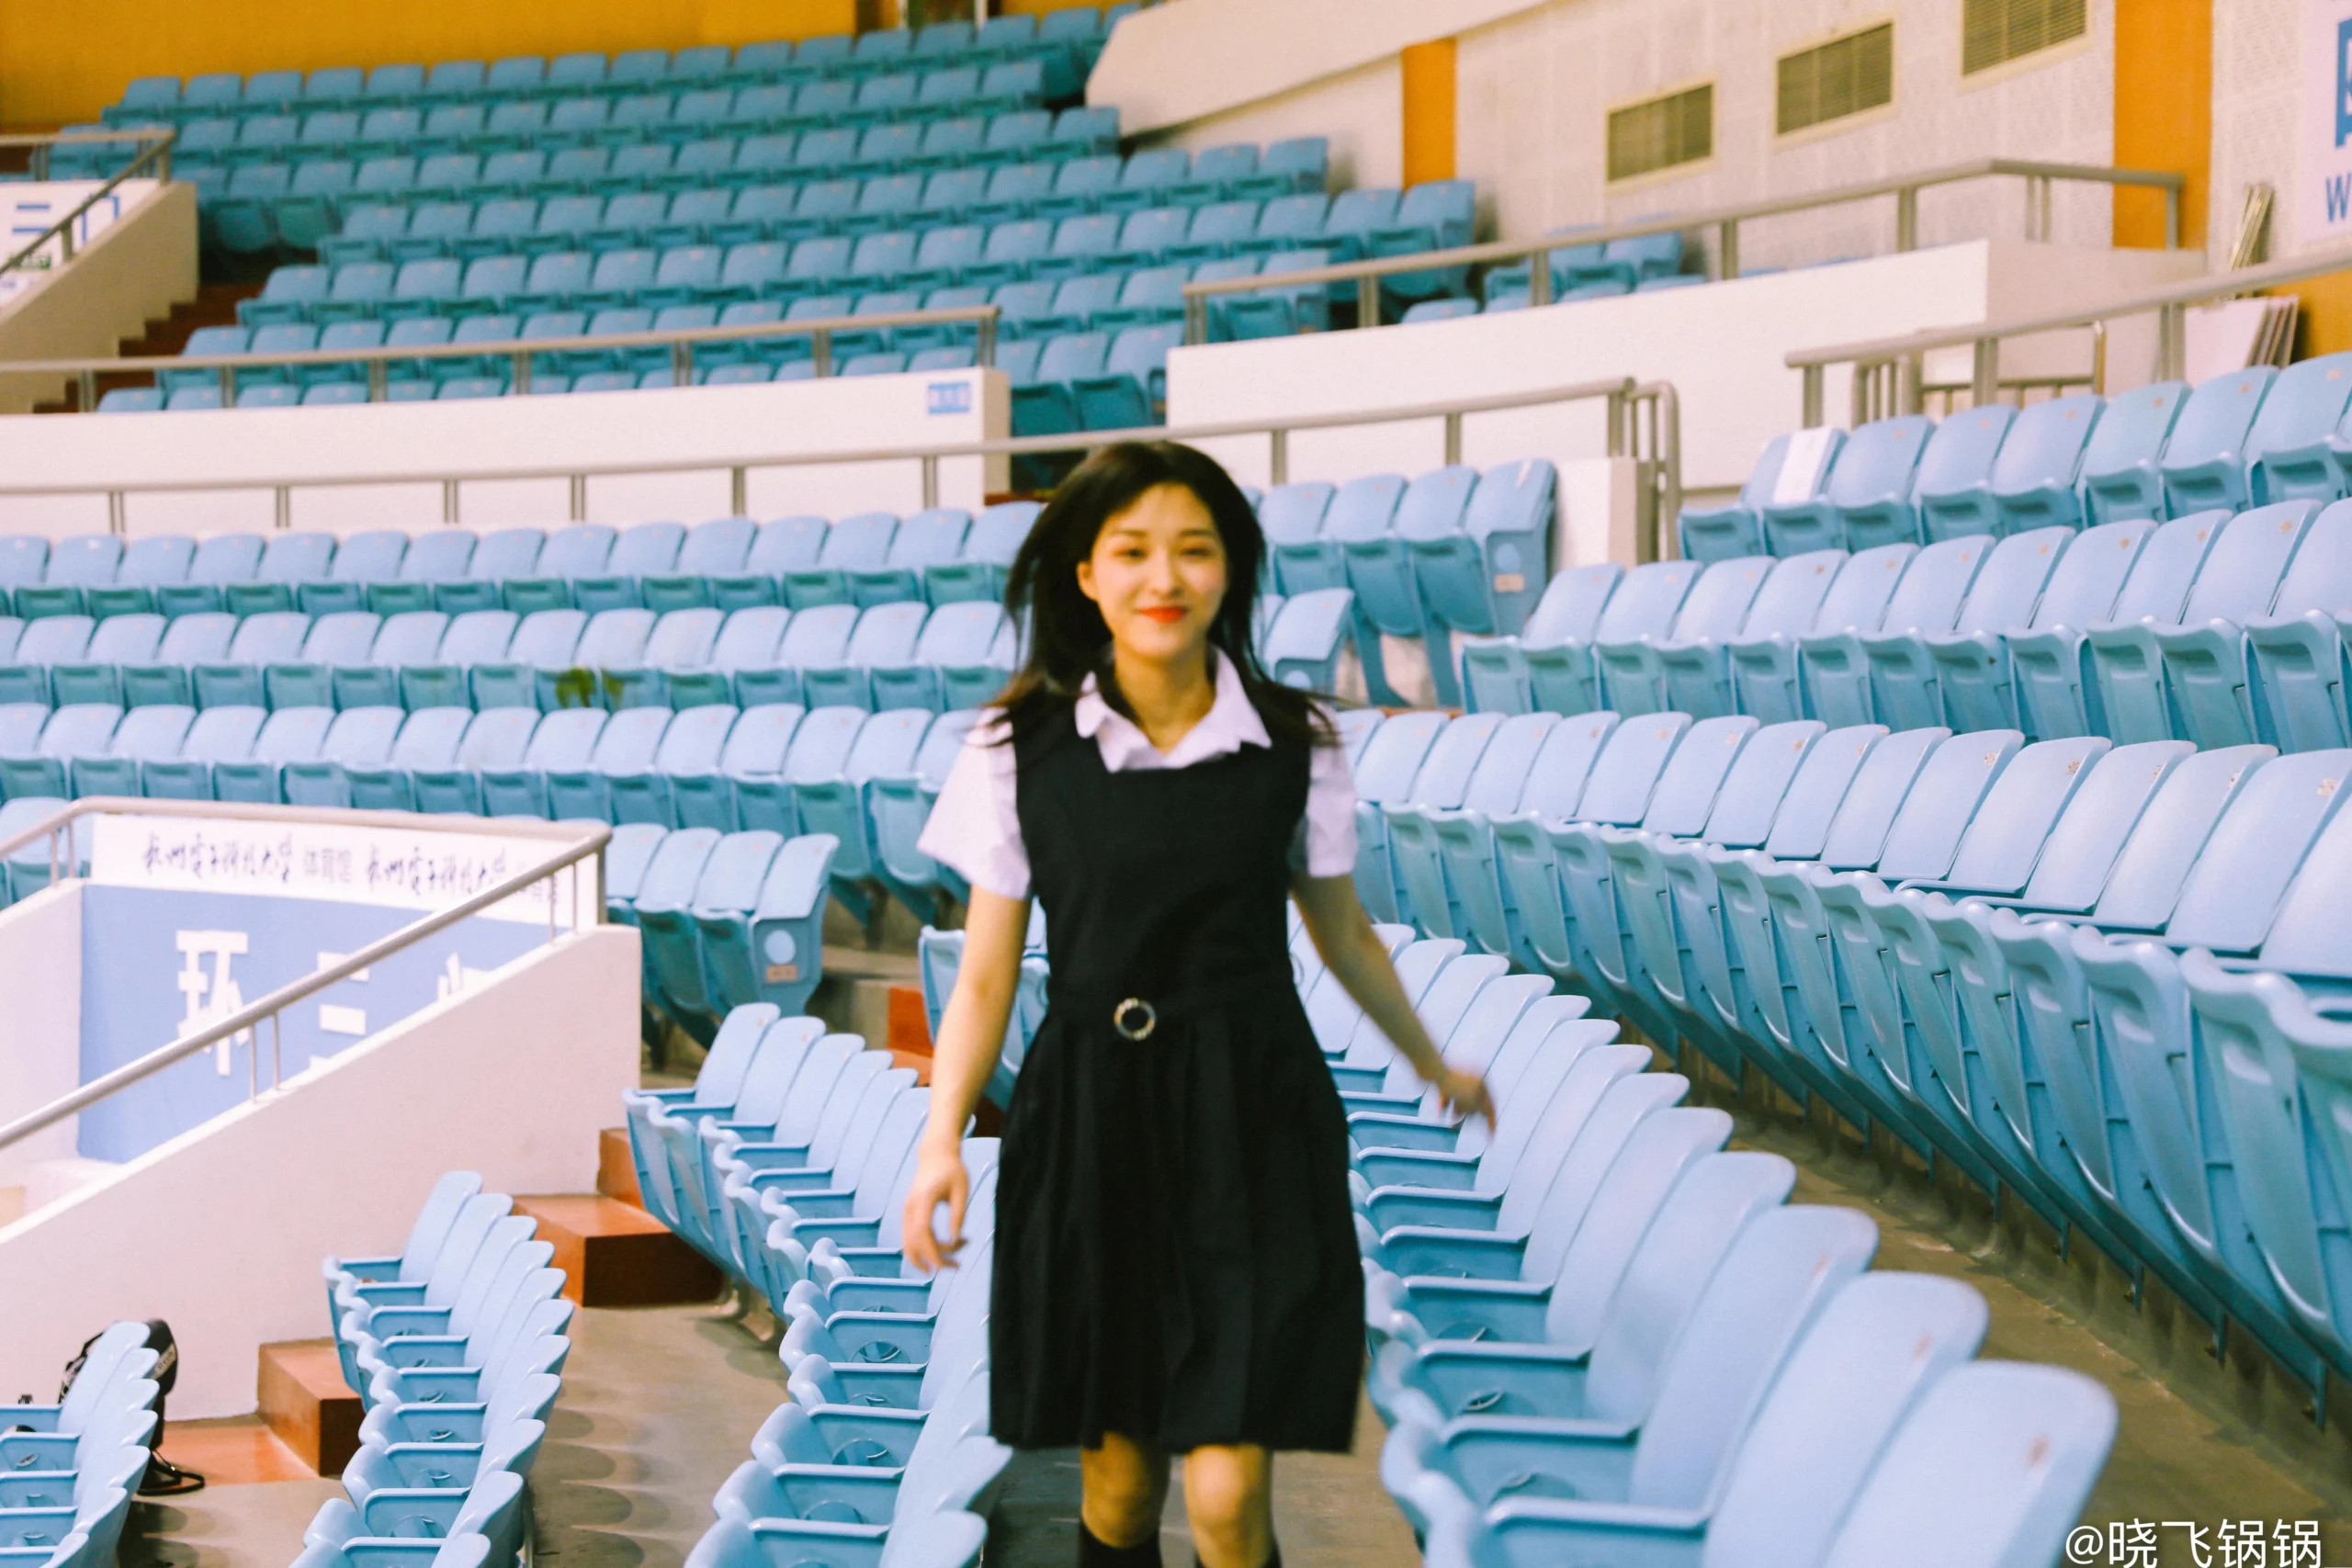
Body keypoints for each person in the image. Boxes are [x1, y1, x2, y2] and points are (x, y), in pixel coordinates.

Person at [902, 441, 1493, 1568]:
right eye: (1131, 552)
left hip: (1252, 1115)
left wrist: (1433, 1063)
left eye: (1194, 550)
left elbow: (1344, 934)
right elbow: (983, 974)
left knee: (1225, 1497)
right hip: (1091, 1122)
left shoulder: (1292, 741)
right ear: (1085, 574)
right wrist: (941, 1140)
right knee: (1121, 1491)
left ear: (1231, 570)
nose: (1162, 578)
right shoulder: (1015, 745)